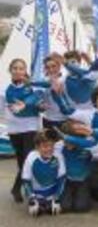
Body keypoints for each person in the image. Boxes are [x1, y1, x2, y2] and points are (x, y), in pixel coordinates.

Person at [0, 58, 43, 203]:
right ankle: (24, 186)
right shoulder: (4, 90)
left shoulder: (33, 88)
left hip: (30, 127)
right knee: (20, 161)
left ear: (25, 71)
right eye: (15, 68)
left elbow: (38, 103)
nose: (18, 71)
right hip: (13, 130)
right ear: (10, 70)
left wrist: (34, 105)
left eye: (21, 68)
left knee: (27, 159)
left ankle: (18, 188)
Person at [22, 130, 66, 217]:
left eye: (51, 146)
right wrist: (31, 198)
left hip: (52, 193)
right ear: (37, 147)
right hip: (36, 193)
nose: (49, 149)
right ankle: (39, 202)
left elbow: (62, 179)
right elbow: (26, 180)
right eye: (45, 146)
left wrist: (57, 197)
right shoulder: (31, 157)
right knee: (36, 212)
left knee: (57, 210)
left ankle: (48, 203)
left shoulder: (58, 156)